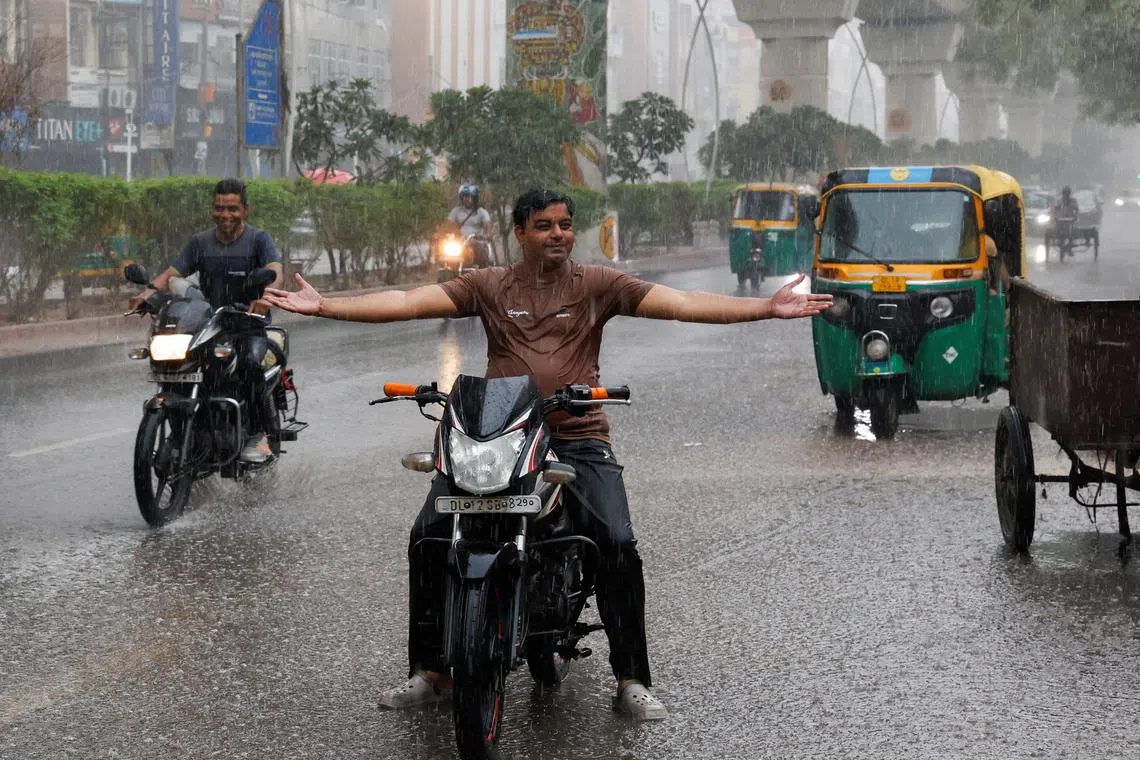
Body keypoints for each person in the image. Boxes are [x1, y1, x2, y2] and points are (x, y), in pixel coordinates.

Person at [262, 188, 833, 721]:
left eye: (565, 225)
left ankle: (631, 678)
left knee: (614, 541)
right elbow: (409, 300)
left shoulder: (597, 285)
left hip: (577, 436)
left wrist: (763, 308)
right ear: (519, 233)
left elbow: (682, 302)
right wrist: (326, 306)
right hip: (498, 438)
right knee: (429, 539)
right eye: (543, 227)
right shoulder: (488, 286)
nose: (558, 235)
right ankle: (432, 672)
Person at [128, 178, 285, 463]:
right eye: (220, 208)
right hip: (209, 325)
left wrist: (267, 297)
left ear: (245, 210)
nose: (226, 214)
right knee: (179, 365)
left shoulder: (259, 240)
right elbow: (171, 274)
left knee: (249, 363)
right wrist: (147, 293)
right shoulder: (200, 242)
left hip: (248, 324)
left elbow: (275, 270)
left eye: (233, 209)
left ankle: (260, 434)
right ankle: (187, 433)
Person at [445, 184, 493, 267]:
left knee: (481, 249)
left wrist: (487, 235)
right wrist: (450, 232)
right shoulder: (456, 211)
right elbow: (448, 225)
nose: (466, 199)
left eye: (469, 196)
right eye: (464, 196)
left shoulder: (482, 212)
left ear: (474, 198)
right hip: (459, 241)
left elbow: (487, 225)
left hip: (475, 240)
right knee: (445, 252)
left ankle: (482, 272)